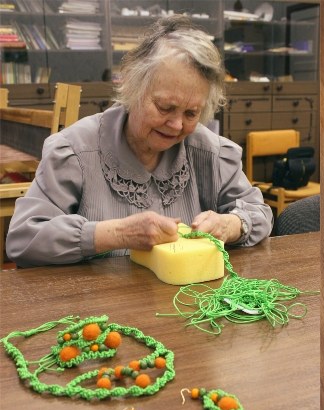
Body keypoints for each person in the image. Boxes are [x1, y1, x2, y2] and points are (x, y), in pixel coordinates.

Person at [6, 15, 272, 267]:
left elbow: (259, 213)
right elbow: (24, 239)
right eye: (165, 107)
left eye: (191, 113)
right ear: (133, 87)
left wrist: (231, 225)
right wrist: (118, 234)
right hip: (101, 299)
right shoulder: (75, 150)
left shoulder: (210, 151)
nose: (177, 125)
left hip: (192, 296)